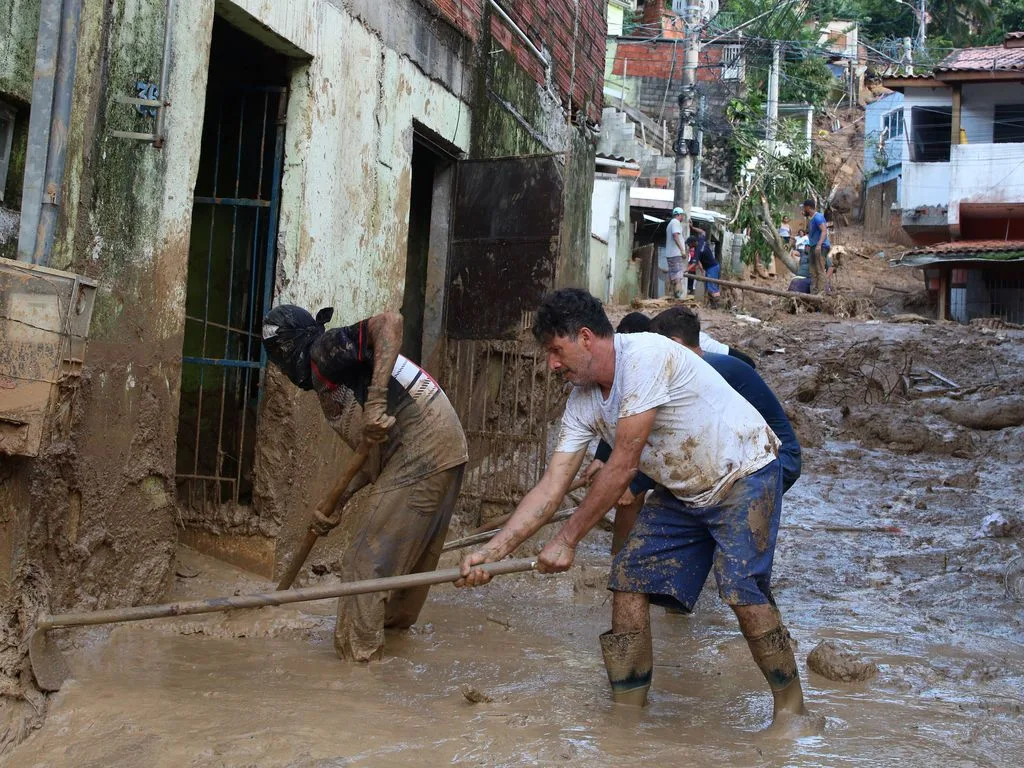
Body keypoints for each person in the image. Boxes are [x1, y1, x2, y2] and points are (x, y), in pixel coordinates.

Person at [457, 289, 808, 730]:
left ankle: (793, 710)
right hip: (683, 491)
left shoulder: (644, 356)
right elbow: (551, 487)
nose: (552, 365)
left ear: (585, 338)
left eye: (554, 351)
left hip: (745, 473)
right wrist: (493, 552)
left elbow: (623, 465)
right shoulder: (582, 402)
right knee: (626, 581)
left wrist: (567, 541)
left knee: (740, 587)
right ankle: (626, 712)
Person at [262, 305, 468, 662]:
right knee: (408, 563)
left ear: (288, 347)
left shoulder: (321, 351)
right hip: (444, 445)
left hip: (423, 444)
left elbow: (390, 322)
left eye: (279, 358)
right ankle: (395, 651)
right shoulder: (332, 379)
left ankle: (359, 672)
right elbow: (374, 456)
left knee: (361, 561)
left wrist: (374, 403)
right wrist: (339, 503)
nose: (281, 368)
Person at [650, 306, 801, 492]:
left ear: (675, 343)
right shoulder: (703, 365)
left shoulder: (704, 373)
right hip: (750, 454)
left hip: (775, 459)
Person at [686, 224, 721, 306]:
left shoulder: (697, 251)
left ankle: (717, 304)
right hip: (711, 267)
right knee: (709, 286)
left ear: (693, 243)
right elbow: (702, 232)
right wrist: (692, 228)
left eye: (689, 244)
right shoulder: (701, 240)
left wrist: (685, 270)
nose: (689, 246)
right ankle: (712, 304)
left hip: (712, 268)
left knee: (712, 286)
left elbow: (694, 263)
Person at [802, 199, 830, 293]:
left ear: (808, 207)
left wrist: (819, 245)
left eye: (804, 207)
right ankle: (814, 293)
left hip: (820, 247)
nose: (803, 209)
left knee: (820, 270)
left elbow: (824, 231)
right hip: (814, 247)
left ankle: (821, 294)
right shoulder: (812, 219)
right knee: (813, 271)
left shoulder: (818, 217)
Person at [664, 207, 687, 298]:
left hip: (671, 254)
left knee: (674, 276)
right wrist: (682, 250)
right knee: (678, 277)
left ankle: (674, 296)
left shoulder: (670, 224)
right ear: (678, 215)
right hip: (675, 254)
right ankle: (678, 297)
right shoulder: (675, 222)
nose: (683, 218)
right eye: (682, 215)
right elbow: (675, 235)